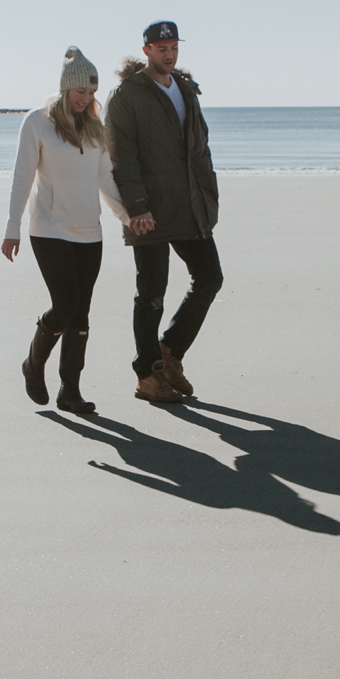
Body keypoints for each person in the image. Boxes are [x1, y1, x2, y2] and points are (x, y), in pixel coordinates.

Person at [2, 47, 128, 414]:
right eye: (80, 93)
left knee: (82, 314)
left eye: (91, 94)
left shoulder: (94, 127)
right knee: (66, 305)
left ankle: (69, 391)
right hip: (50, 229)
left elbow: (105, 176)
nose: (86, 99)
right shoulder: (37, 122)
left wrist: (128, 216)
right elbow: (22, 177)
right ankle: (33, 362)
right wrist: (12, 227)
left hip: (90, 233)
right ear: (64, 88)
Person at [105, 20, 221, 405]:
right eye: (161, 48)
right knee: (151, 293)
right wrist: (136, 207)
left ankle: (169, 352)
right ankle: (148, 375)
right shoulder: (127, 96)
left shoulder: (187, 90)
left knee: (209, 278)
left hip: (188, 204)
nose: (168, 54)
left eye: (173, 47)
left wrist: (208, 195)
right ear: (146, 52)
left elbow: (200, 148)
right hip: (149, 211)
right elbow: (122, 156)